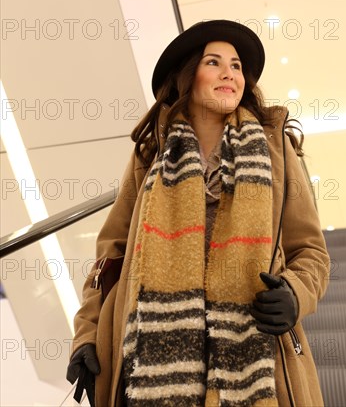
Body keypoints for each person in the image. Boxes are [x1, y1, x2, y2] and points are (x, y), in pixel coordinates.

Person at [67, 20, 330, 407]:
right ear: (188, 77)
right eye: (215, 62)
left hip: (258, 353)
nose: (229, 73)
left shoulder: (275, 149)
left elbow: (311, 251)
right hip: (151, 360)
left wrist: (296, 293)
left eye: (237, 65)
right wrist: (87, 334)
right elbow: (110, 258)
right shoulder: (150, 155)